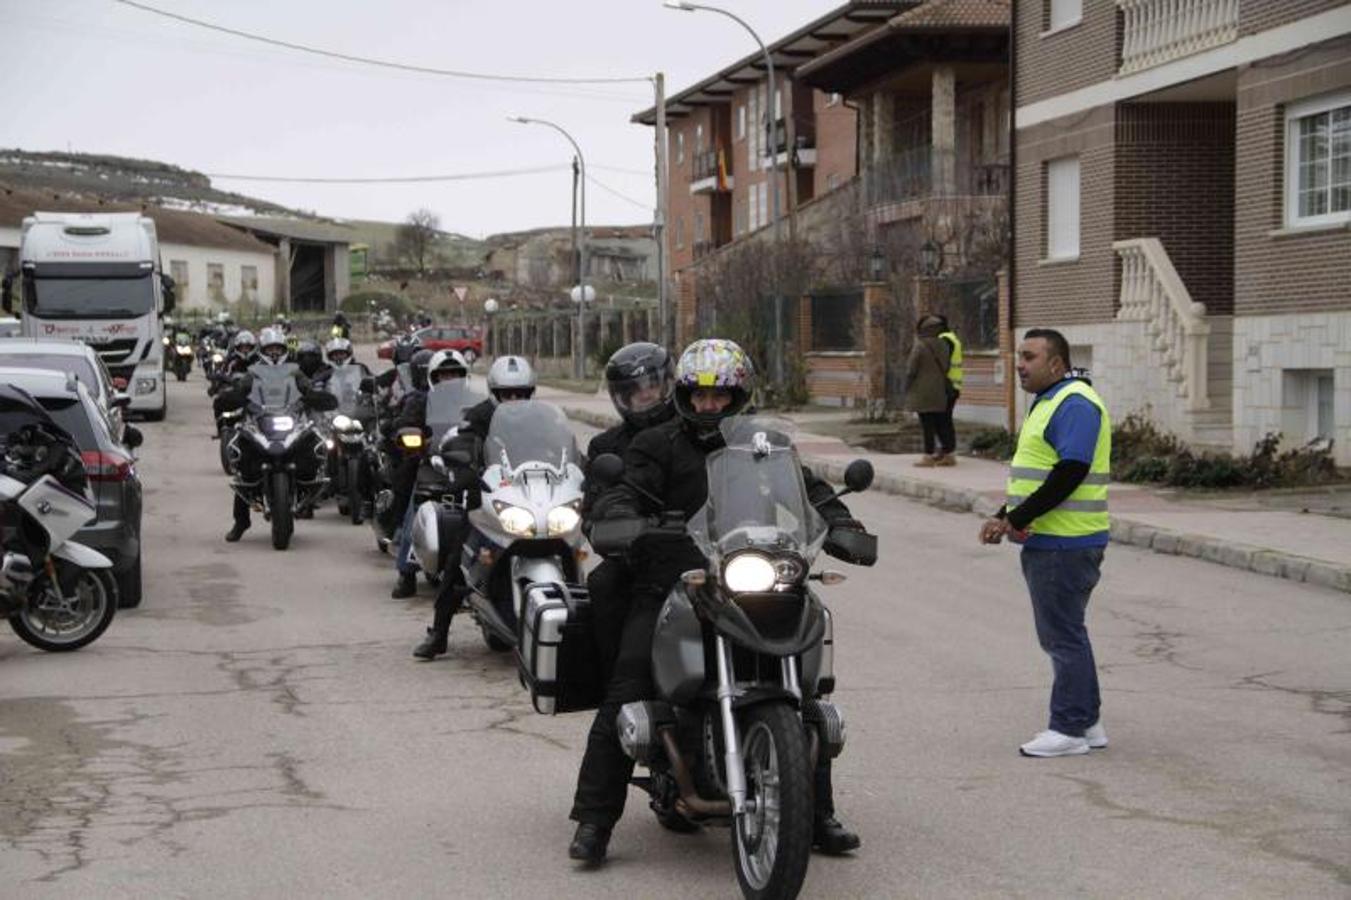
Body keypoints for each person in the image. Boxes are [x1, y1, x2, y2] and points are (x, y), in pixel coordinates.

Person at [567, 338, 865, 865]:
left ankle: (816, 814)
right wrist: (619, 514)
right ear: (684, 395)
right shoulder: (655, 444)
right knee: (628, 687)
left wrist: (842, 523)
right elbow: (627, 489)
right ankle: (595, 820)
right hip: (673, 581)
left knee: (803, 690)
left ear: (738, 396)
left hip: (750, 576)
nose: (709, 405)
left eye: (720, 396)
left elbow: (808, 491)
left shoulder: (764, 444)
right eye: (700, 395)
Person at [979, 328, 1111, 758]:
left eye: (1029, 357)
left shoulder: (1074, 404)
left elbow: (1070, 471)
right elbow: (1039, 473)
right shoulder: (1052, 400)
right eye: (1020, 355)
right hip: (1057, 540)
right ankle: (1086, 722)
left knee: (1062, 637)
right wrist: (1005, 515)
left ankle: (1068, 728)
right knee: (1068, 633)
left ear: (1056, 363)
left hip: (1065, 542)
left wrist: (1016, 519)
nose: (1020, 364)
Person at [410, 354, 537, 653]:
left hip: (531, 500)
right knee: (459, 559)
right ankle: (439, 632)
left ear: (530, 392)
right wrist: (464, 469)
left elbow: (560, 449)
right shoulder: (478, 417)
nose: (514, 399)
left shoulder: (540, 418)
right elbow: (459, 443)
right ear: (494, 392)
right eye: (507, 394)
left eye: (520, 393)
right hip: (488, 499)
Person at [580, 342, 675, 675]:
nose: (645, 394)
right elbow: (592, 509)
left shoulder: (690, 431)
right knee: (604, 584)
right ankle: (616, 679)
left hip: (700, 547)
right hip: (636, 555)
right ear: (620, 397)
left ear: (668, 384)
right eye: (635, 390)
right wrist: (616, 530)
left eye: (652, 385)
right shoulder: (606, 446)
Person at [220, 327, 326, 542]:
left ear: (285, 350)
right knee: (244, 470)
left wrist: (317, 397)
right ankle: (241, 522)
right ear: (262, 351)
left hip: (290, 418)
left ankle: (307, 494)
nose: (275, 353)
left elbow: (307, 389)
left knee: (314, 444)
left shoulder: (295, 371)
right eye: (270, 349)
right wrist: (231, 398)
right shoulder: (253, 372)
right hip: (260, 421)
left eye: (278, 348)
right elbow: (241, 390)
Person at [906, 315, 955, 467]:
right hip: (940, 391)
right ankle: (948, 454)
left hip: (922, 392)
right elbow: (947, 366)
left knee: (927, 425)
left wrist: (907, 385)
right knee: (941, 423)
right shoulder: (944, 345)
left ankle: (928, 456)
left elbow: (911, 369)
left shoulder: (920, 346)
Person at [936, 314, 963, 430]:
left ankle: (947, 441)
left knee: (942, 420)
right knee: (946, 419)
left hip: (946, 385)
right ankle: (948, 441)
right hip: (953, 385)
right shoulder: (952, 337)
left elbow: (942, 362)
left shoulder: (944, 339)